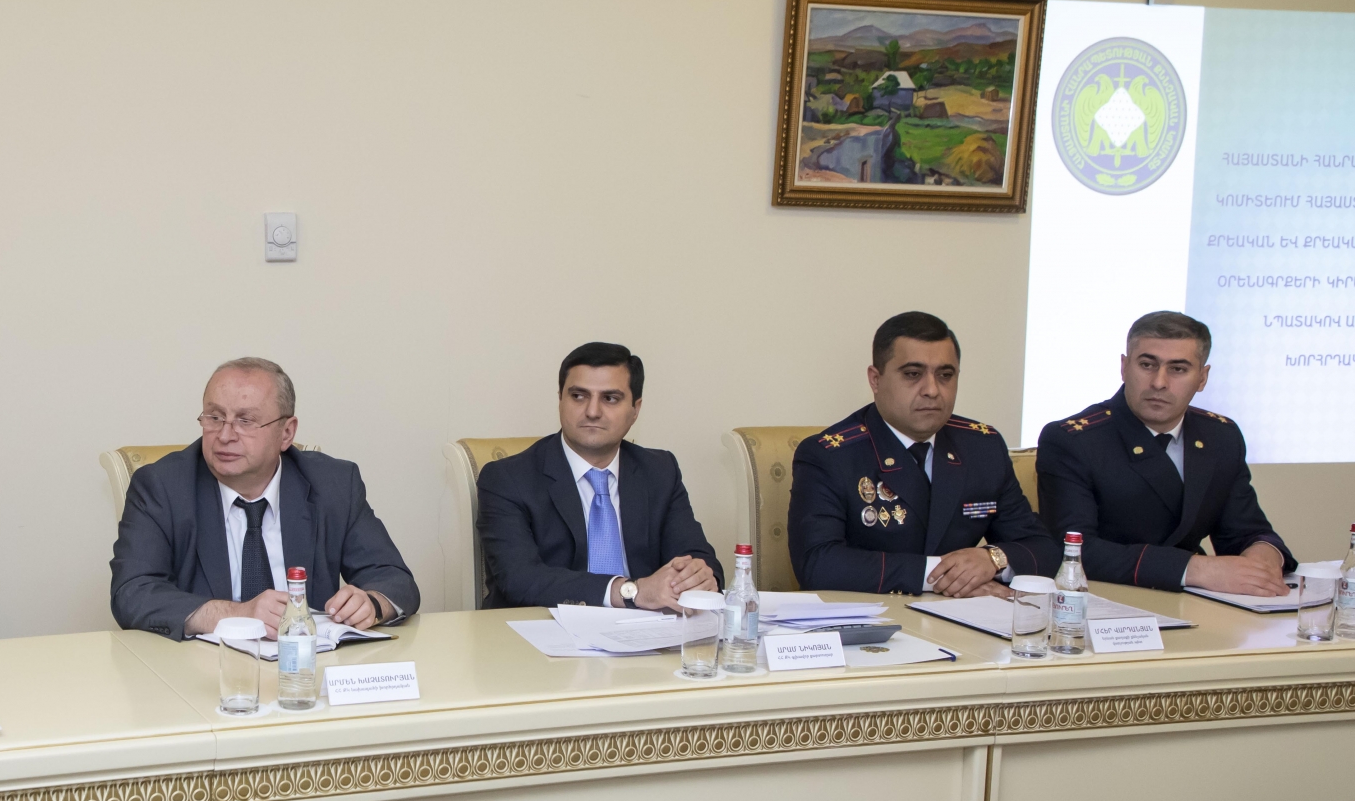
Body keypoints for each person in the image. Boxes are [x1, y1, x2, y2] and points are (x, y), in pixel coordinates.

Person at [110, 357, 418, 640]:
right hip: (199, 670)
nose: (225, 435)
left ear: (286, 433)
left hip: (306, 669)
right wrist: (236, 614)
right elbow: (132, 592)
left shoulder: (333, 484)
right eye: (214, 417)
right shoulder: (162, 487)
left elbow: (393, 579)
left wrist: (371, 604)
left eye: (246, 421)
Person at [789, 312, 1058, 596]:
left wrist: (993, 559)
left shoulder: (982, 447)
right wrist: (945, 575)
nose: (932, 390)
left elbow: (1043, 548)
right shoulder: (829, 456)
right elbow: (818, 564)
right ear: (875, 380)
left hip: (966, 616)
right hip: (877, 616)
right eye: (912, 374)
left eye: (945, 375)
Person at [1036, 311, 1295, 594]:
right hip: (1109, 598)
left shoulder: (1220, 436)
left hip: (1195, 601)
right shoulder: (1074, 440)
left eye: (1178, 369)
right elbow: (1074, 550)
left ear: (1202, 378)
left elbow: (1244, 529)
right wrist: (1194, 569)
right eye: (1147, 365)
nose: (1159, 382)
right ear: (1124, 367)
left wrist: (1264, 555)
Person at [477, 342, 722, 609]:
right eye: (578, 396)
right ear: (560, 400)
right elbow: (521, 580)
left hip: (646, 629)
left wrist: (696, 577)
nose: (592, 412)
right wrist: (631, 591)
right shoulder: (507, 479)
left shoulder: (660, 470)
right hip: (543, 627)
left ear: (635, 409)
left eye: (610, 398)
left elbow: (698, 558)